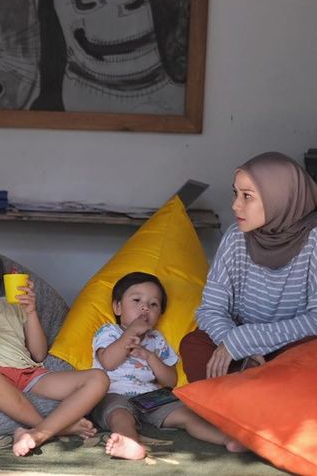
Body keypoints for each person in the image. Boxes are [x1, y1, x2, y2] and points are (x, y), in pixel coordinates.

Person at [0, 233, 109, 457]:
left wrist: (30, 311)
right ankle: (51, 428)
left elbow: (38, 354)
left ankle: (39, 432)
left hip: (28, 374)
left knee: (99, 378)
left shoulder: (12, 304)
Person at [180, 152, 317, 382]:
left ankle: (238, 395)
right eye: (236, 193)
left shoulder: (314, 241)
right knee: (193, 344)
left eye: (247, 196)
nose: (235, 205)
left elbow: (315, 320)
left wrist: (245, 340)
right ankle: (255, 392)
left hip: (289, 347)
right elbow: (211, 308)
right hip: (241, 352)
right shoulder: (236, 237)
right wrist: (235, 345)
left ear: (279, 197)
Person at [93, 271, 246, 460]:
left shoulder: (157, 339)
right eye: (136, 300)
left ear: (159, 314)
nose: (145, 308)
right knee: (119, 416)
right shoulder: (109, 331)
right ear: (117, 307)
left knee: (186, 415)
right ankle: (128, 442)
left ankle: (228, 439)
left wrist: (150, 357)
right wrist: (129, 333)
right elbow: (108, 362)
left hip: (149, 396)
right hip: (113, 393)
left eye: (153, 304)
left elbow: (170, 381)